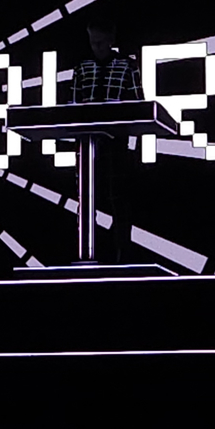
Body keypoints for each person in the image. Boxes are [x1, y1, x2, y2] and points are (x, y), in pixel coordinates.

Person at [70, 20, 142, 264]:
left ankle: (123, 257)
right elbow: (72, 106)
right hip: (88, 145)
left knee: (119, 200)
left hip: (117, 143)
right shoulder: (82, 68)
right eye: (93, 42)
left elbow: (138, 104)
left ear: (111, 41)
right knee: (87, 200)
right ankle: (88, 255)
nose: (96, 47)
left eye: (100, 42)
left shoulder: (127, 66)